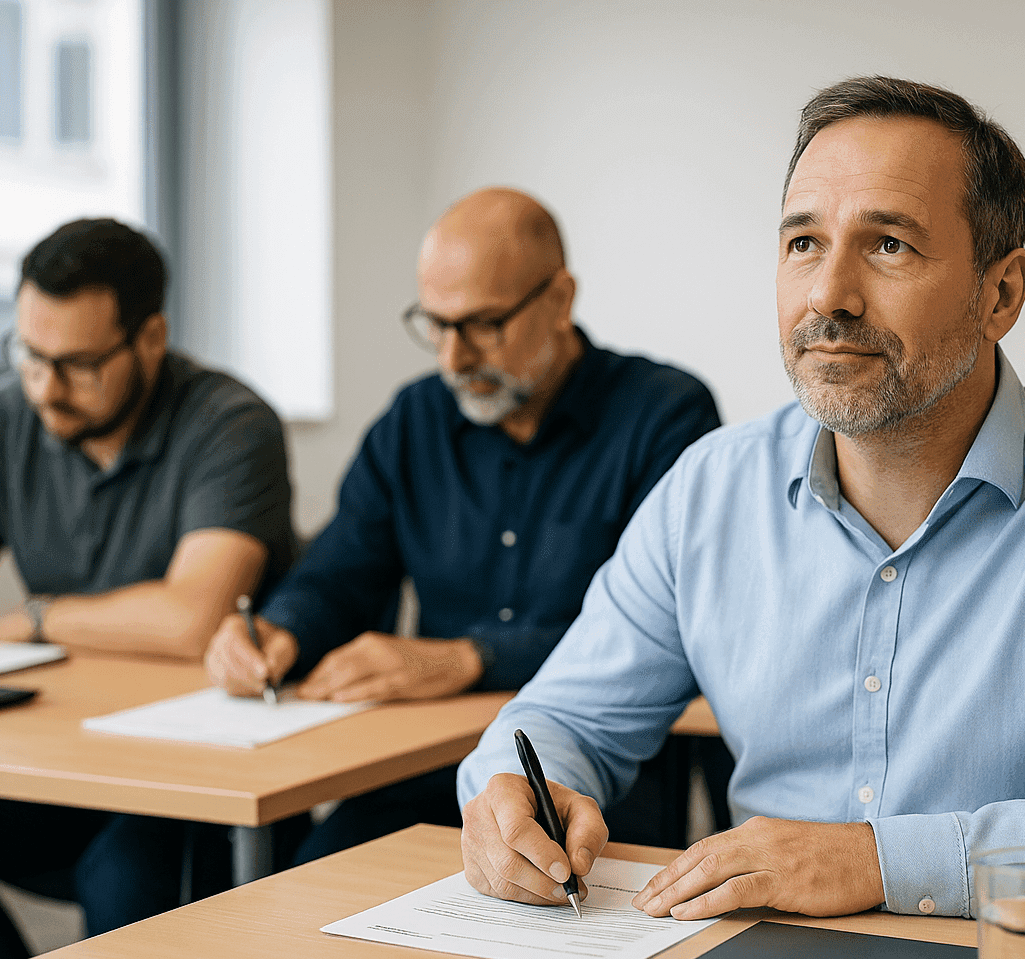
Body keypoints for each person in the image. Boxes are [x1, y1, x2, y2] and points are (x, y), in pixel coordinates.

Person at [457, 77, 1025, 925]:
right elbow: (559, 720)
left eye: (888, 245)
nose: (829, 295)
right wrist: (514, 796)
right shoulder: (708, 490)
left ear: (1001, 293)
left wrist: (875, 860)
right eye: (804, 242)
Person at [204, 188, 722, 862]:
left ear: (559, 300)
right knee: (317, 871)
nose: (453, 358)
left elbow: (662, 628)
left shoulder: (664, 416)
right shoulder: (415, 420)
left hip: (593, 774)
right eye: (436, 324)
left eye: (482, 325)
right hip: (431, 760)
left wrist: (466, 658)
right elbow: (341, 572)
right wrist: (277, 629)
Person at [0, 218, 296, 959]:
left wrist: (37, 617)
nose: (46, 388)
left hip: (190, 777)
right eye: (29, 356)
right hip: (59, 757)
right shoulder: (7, 414)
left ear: (150, 337)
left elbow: (194, 619)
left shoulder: (230, 423)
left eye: (78, 364)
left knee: (120, 877)